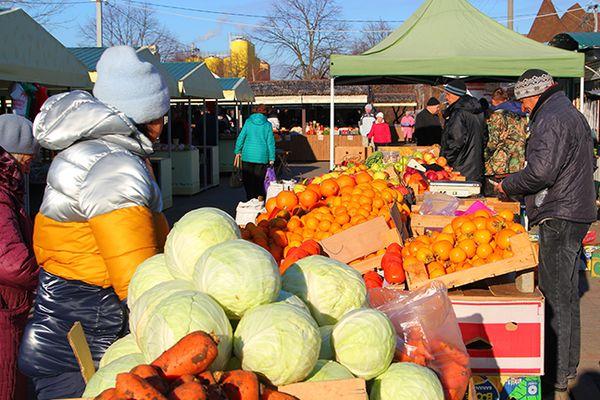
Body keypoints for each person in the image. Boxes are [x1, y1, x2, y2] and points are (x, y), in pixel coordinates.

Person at [18, 46, 170, 400]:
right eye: (160, 114)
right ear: (142, 114)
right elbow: (135, 275)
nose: (163, 124)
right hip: (87, 337)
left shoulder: (90, 150)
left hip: (64, 324)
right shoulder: (114, 166)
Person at [499, 70, 596, 400]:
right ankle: (566, 368)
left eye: (524, 100)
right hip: (576, 210)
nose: (524, 107)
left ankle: (555, 373)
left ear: (535, 95)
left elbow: (541, 171)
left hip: (559, 213)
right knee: (568, 296)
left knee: (554, 298)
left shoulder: (550, 118)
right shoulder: (570, 113)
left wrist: (508, 184)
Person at [0, 114, 40, 400]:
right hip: (5, 306)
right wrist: (46, 276)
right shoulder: (1, 194)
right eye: (28, 158)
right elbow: (12, 262)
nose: (29, 167)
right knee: (6, 383)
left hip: (8, 303)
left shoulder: (7, 188)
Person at [440, 79, 486, 183]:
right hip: (476, 166)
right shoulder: (478, 112)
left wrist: (445, 161)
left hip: (460, 168)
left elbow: (456, 141)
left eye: (448, 94)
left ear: (456, 94)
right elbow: (484, 137)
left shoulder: (459, 112)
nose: (446, 98)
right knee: (474, 197)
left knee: (458, 199)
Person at [484, 88, 527, 195]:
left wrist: (484, 154)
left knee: (496, 199)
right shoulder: (520, 114)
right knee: (514, 199)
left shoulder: (497, 115)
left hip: (500, 163)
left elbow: (493, 142)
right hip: (517, 163)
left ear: (493, 100)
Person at [234, 104, 276, 201]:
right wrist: (272, 158)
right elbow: (270, 143)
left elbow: (241, 137)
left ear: (255, 111)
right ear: (266, 113)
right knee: (259, 180)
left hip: (247, 156)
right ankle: (258, 199)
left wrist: (237, 150)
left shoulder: (248, 122)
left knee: (248, 180)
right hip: (262, 156)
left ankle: (249, 198)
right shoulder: (267, 125)